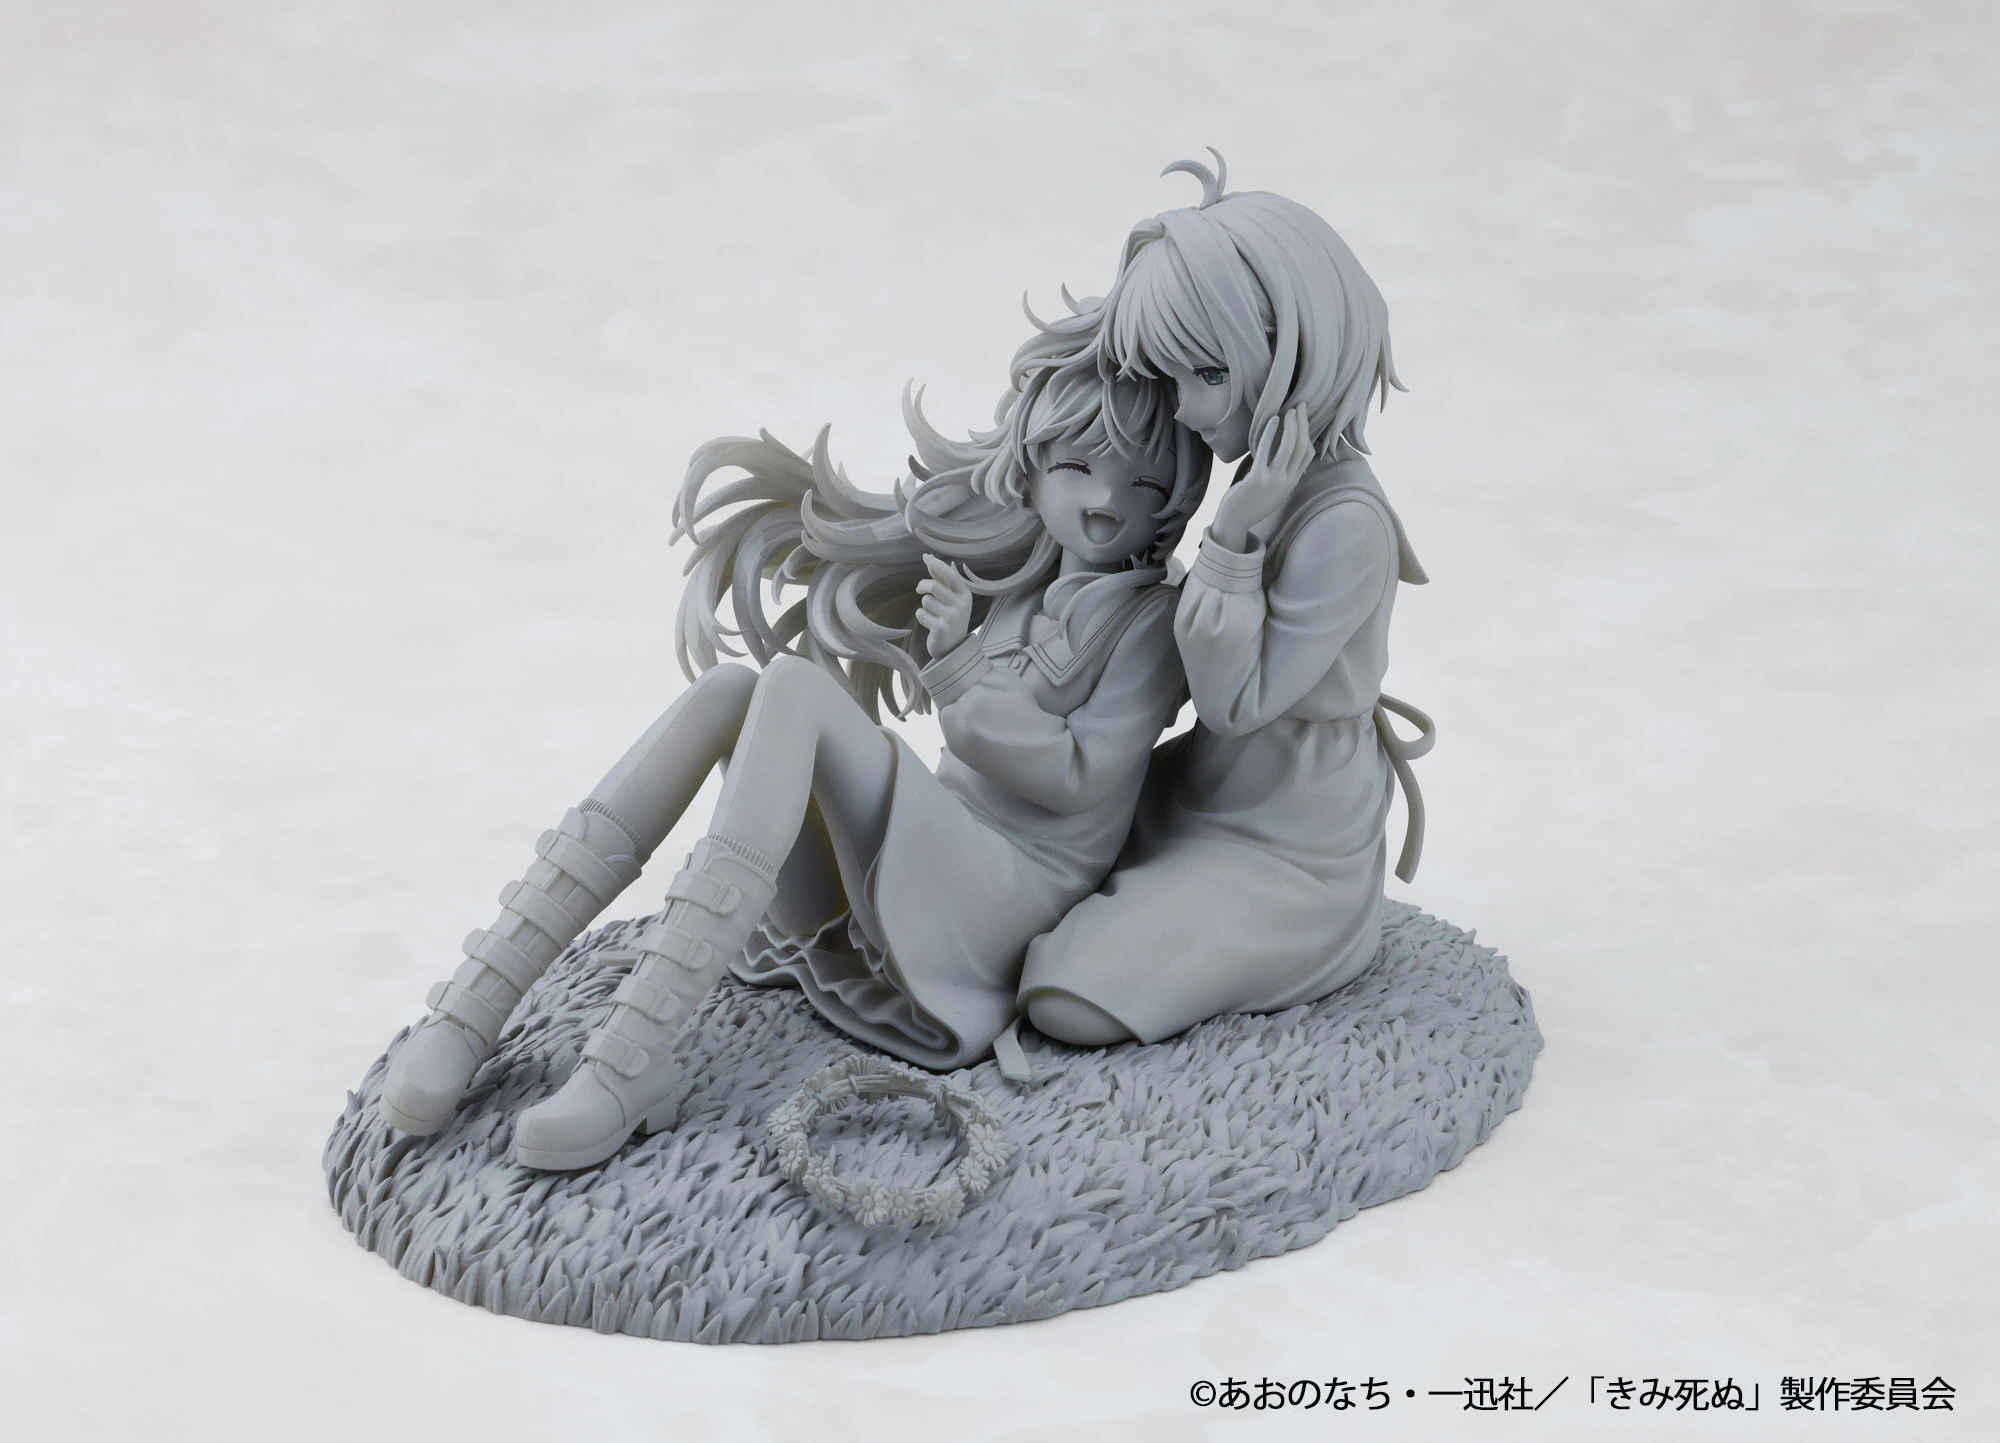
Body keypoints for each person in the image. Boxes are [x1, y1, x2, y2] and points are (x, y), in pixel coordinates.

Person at [377, 355, 1211, 1170]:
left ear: (1175, 504)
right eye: (1077, 467)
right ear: (1031, 471)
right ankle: (478, 1001)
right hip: (931, 874)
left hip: (1000, 905)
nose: (1105, 503)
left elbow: (1078, 775)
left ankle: (627, 1063)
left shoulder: (1151, 623)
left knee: (796, 688)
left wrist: (957, 669)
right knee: (730, 690)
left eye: (1144, 485)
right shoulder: (1025, 587)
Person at [1014, 153, 1434, 1053]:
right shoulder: (1269, 481)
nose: (1184, 409)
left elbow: (1232, 699)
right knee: (1020, 856)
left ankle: (1324, 937)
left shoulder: (1342, 523)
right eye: (1172, 378)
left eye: (1207, 374)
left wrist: (1235, 536)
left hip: (1289, 843)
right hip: (1205, 792)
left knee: (1070, 992)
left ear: (1294, 348)